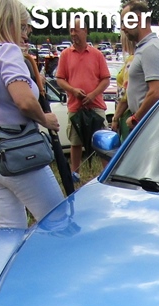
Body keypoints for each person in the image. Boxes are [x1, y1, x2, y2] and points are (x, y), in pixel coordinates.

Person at [0, 0, 62, 229]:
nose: (26, 33)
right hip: (16, 147)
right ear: (10, 23)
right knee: (58, 222)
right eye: (23, 26)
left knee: (10, 232)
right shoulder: (6, 51)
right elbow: (24, 101)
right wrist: (45, 119)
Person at [56, 17, 110, 183]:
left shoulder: (97, 54)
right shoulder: (65, 55)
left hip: (95, 106)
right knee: (75, 141)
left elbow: (106, 79)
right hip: (75, 106)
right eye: (71, 30)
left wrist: (93, 94)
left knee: (102, 140)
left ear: (85, 31)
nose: (73, 34)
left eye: (76, 30)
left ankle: (107, 174)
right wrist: (73, 90)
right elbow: (60, 79)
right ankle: (75, 174)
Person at [119, 1, 159, 137]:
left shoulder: (150, 49)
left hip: (147, 125)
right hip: (148, 123)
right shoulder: (148, 47)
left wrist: (136, 118)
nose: (123, 28)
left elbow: (156, 92)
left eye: (126, 22)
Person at [110, 32, 136, 141]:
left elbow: (124, 93)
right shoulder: (133, 58)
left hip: (126, 112)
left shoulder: (131, 60)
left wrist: (115, 118)